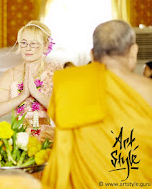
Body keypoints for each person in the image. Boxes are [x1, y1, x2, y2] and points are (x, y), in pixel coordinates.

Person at [42, 20, 152, 188]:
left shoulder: (71, 85)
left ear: (92, 55)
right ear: (134, 51)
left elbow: (62, 132)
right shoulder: (148, 91)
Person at [0, 20, 62, 142]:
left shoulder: (56, 72)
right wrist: (23, 95)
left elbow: (63, 110)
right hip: (20, 138)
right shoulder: (10, 74)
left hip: (49, 139)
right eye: (24, 43)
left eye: (33, 43)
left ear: (45, 46)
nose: (28, 48)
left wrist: (36, 93)